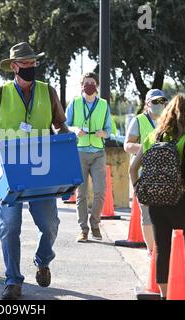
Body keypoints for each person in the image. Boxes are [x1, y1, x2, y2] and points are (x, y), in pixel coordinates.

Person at [0, 42, 69, 300]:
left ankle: (43, 260)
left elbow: (61, 126)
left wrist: (69, 143)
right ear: (14, 66)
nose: (31, 67)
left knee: (50, 225)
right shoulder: (0, 93)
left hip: (42, 169)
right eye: (26, 63)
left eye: (34, 63)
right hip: (9, 169)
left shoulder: (48, 91)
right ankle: (13, 281)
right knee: (9, 226)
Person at [130, 94, 185, 300]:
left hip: (155, 202)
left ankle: (164, 294)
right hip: (180, 200)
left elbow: (134, 168)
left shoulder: (152, 136)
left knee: (161, 247)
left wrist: (139, 189)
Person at [65, 72, 112, 243]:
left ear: (97, 86)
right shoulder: (75, 103)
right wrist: (75, 129)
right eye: (86, 83)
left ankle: (95, 223)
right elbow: (64, 124)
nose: (90, 85)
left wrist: (104, 133)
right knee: (81, 193)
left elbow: (109, 130)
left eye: (92, 82)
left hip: (98, 151)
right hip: (80, 151)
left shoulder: (104, 104)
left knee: (100, 191)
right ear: (81, 85)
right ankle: (83, 229)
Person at [124, 89, 168, 254]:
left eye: (162, 102)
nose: (159, 105)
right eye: (155, 102)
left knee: (163, 214)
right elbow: (127, 145)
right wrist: (147, 149)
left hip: (165, 175)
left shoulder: (168, 121)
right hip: (143, 174)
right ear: (147, 104)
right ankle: (152, 251)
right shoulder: (138, 121)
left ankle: (162, 249)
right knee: (147, 213)